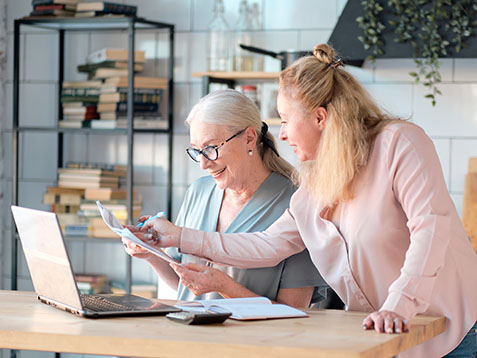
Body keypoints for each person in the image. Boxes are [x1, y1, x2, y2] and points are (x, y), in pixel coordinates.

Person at [136, 44, 477, 357]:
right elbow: (265, 246)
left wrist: (398, 306)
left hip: (455, 332)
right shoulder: (314, 186)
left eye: (285, 120)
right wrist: (178, 237)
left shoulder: (399, 144)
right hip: (388, 340)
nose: (281, 134)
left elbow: (430, 231)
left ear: (319, 117)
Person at [122, 89, 326, 308]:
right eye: (196, 151)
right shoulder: (198, 192)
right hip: (191, 336)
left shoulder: (296, 202)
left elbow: (293, 312)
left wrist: (225, 287)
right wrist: (151, 254)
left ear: (249, 138)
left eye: (210, 148)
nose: (203, 163)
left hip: (256, 341)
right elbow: (186, 286)